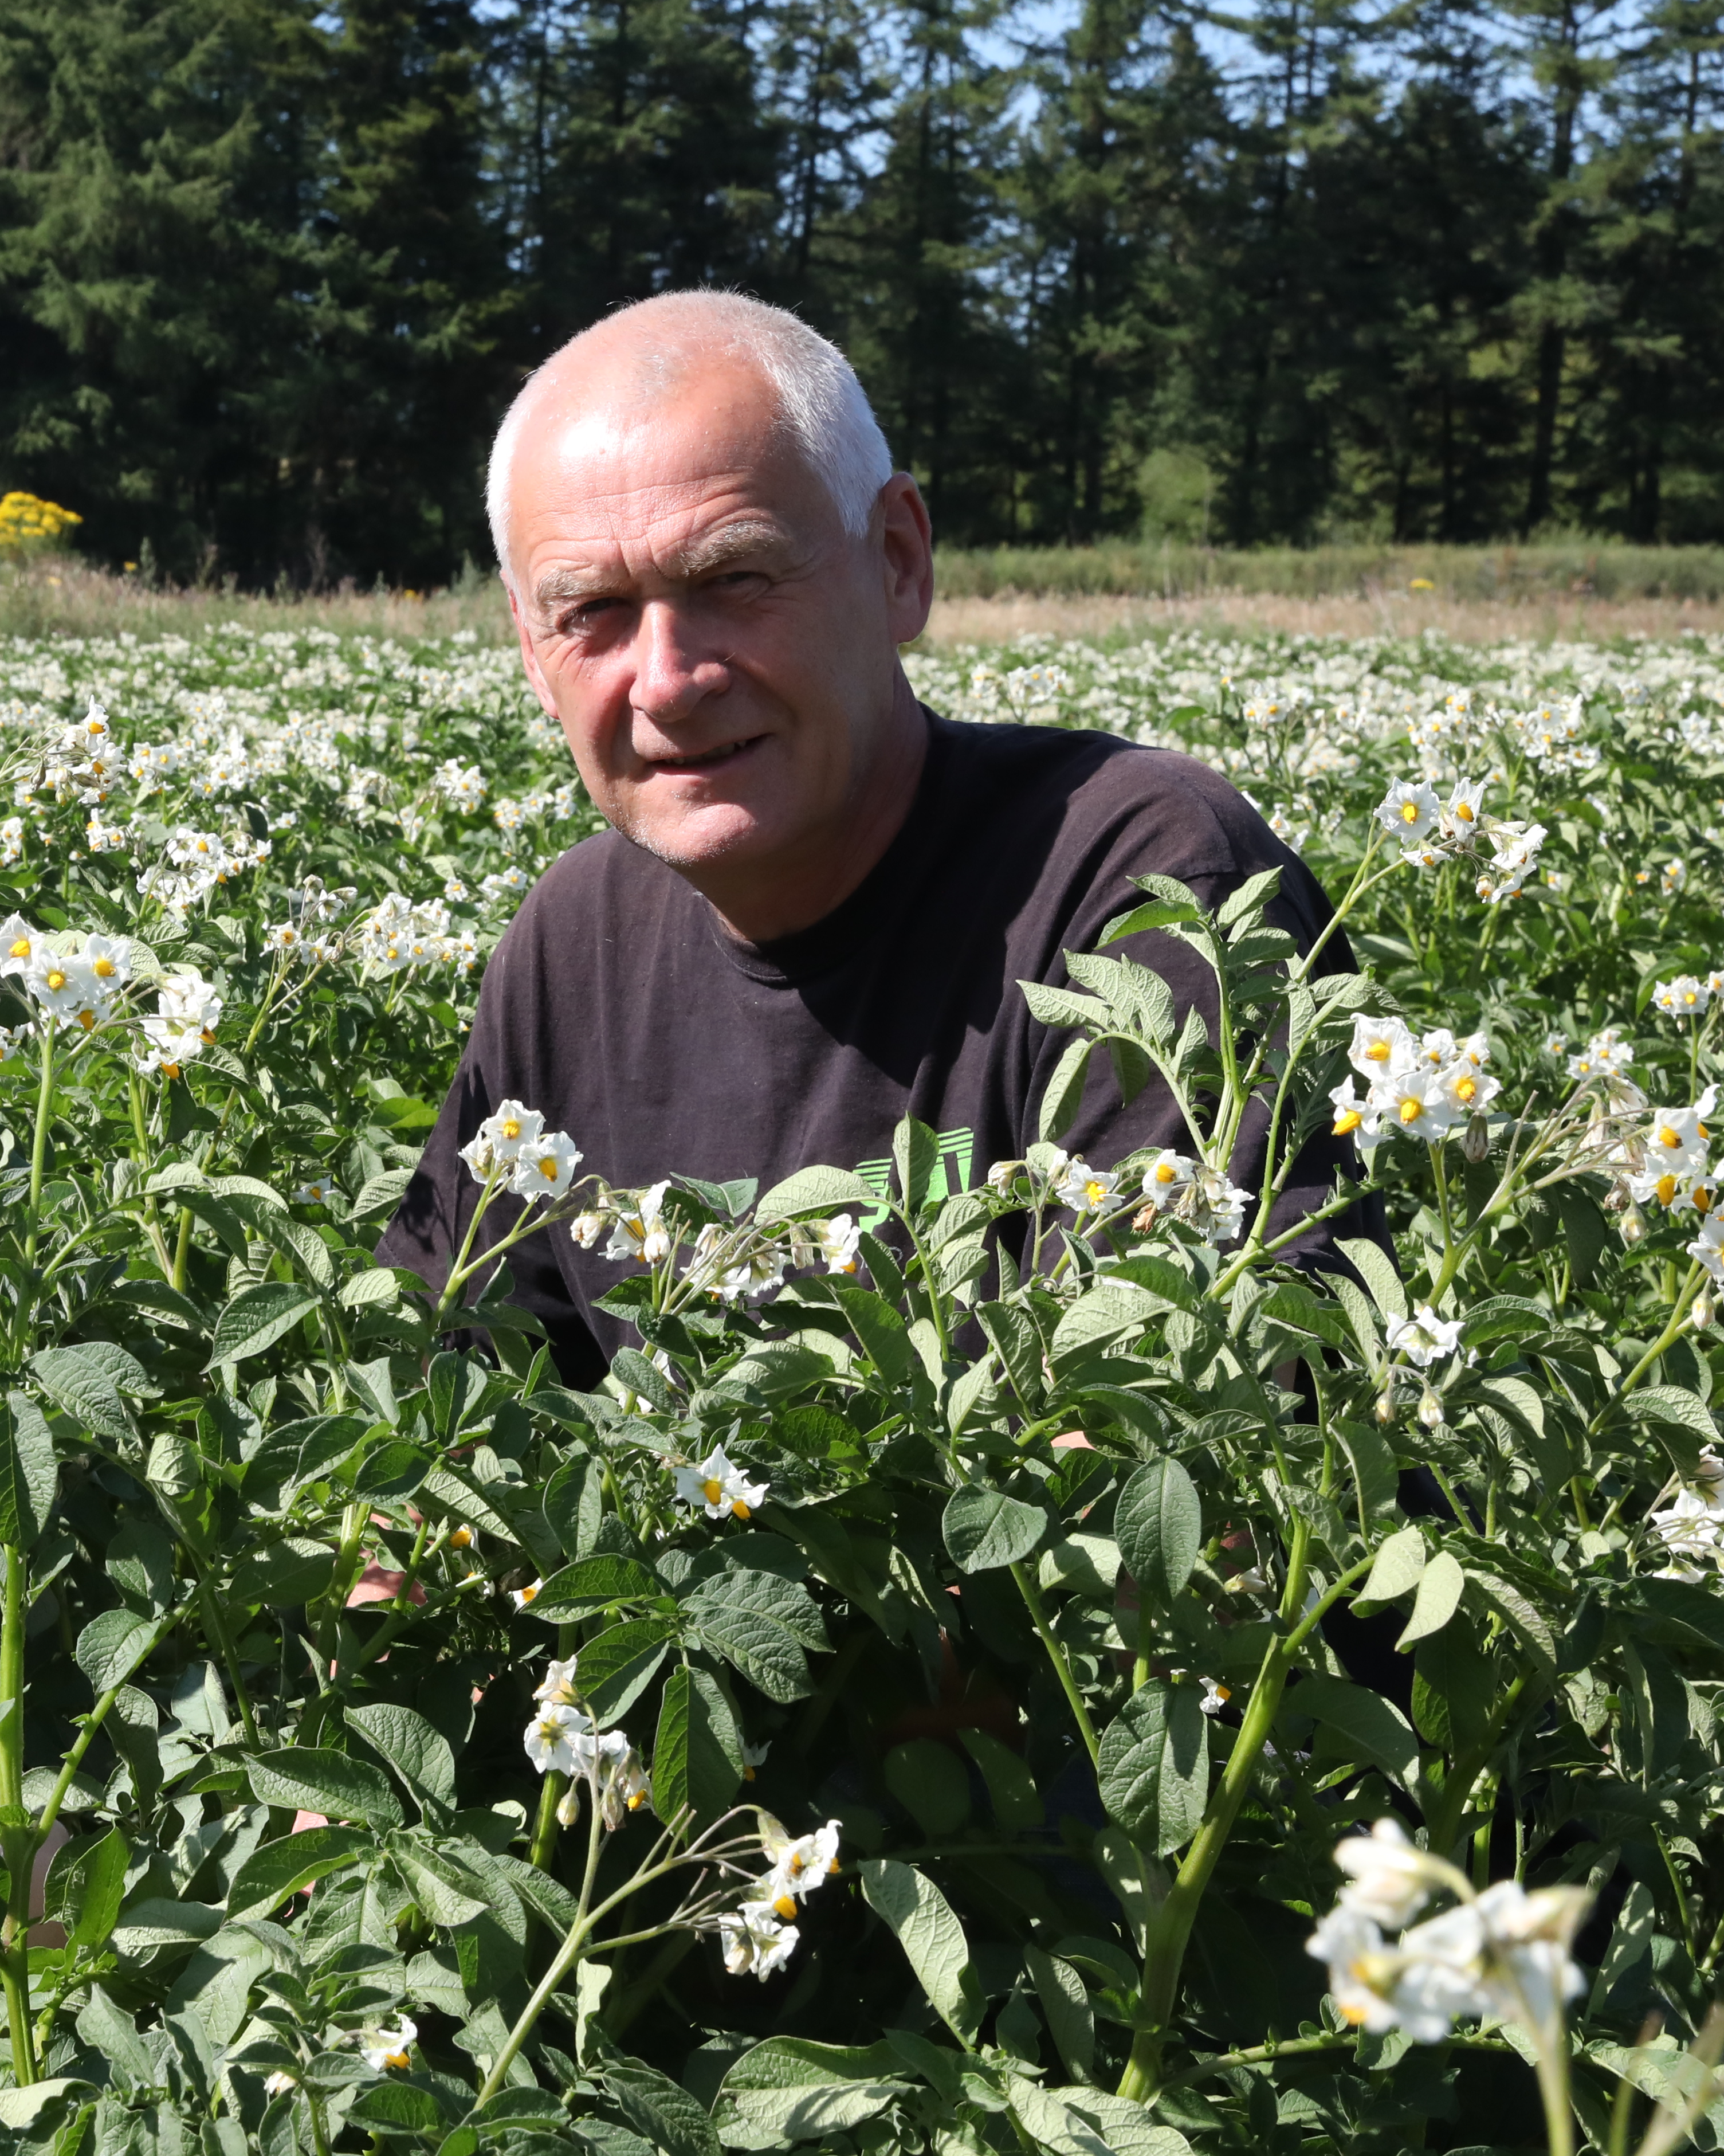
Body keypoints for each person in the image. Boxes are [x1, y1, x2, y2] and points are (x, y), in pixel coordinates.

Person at [380, 291, 1350, 1379]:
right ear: (529, 648)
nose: (667, 681)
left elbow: (1163, 1464)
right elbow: (444, 1428)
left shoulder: (1146, 885)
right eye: (591, 611)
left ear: (898, 559)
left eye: (734, 576)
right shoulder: (572, 946)